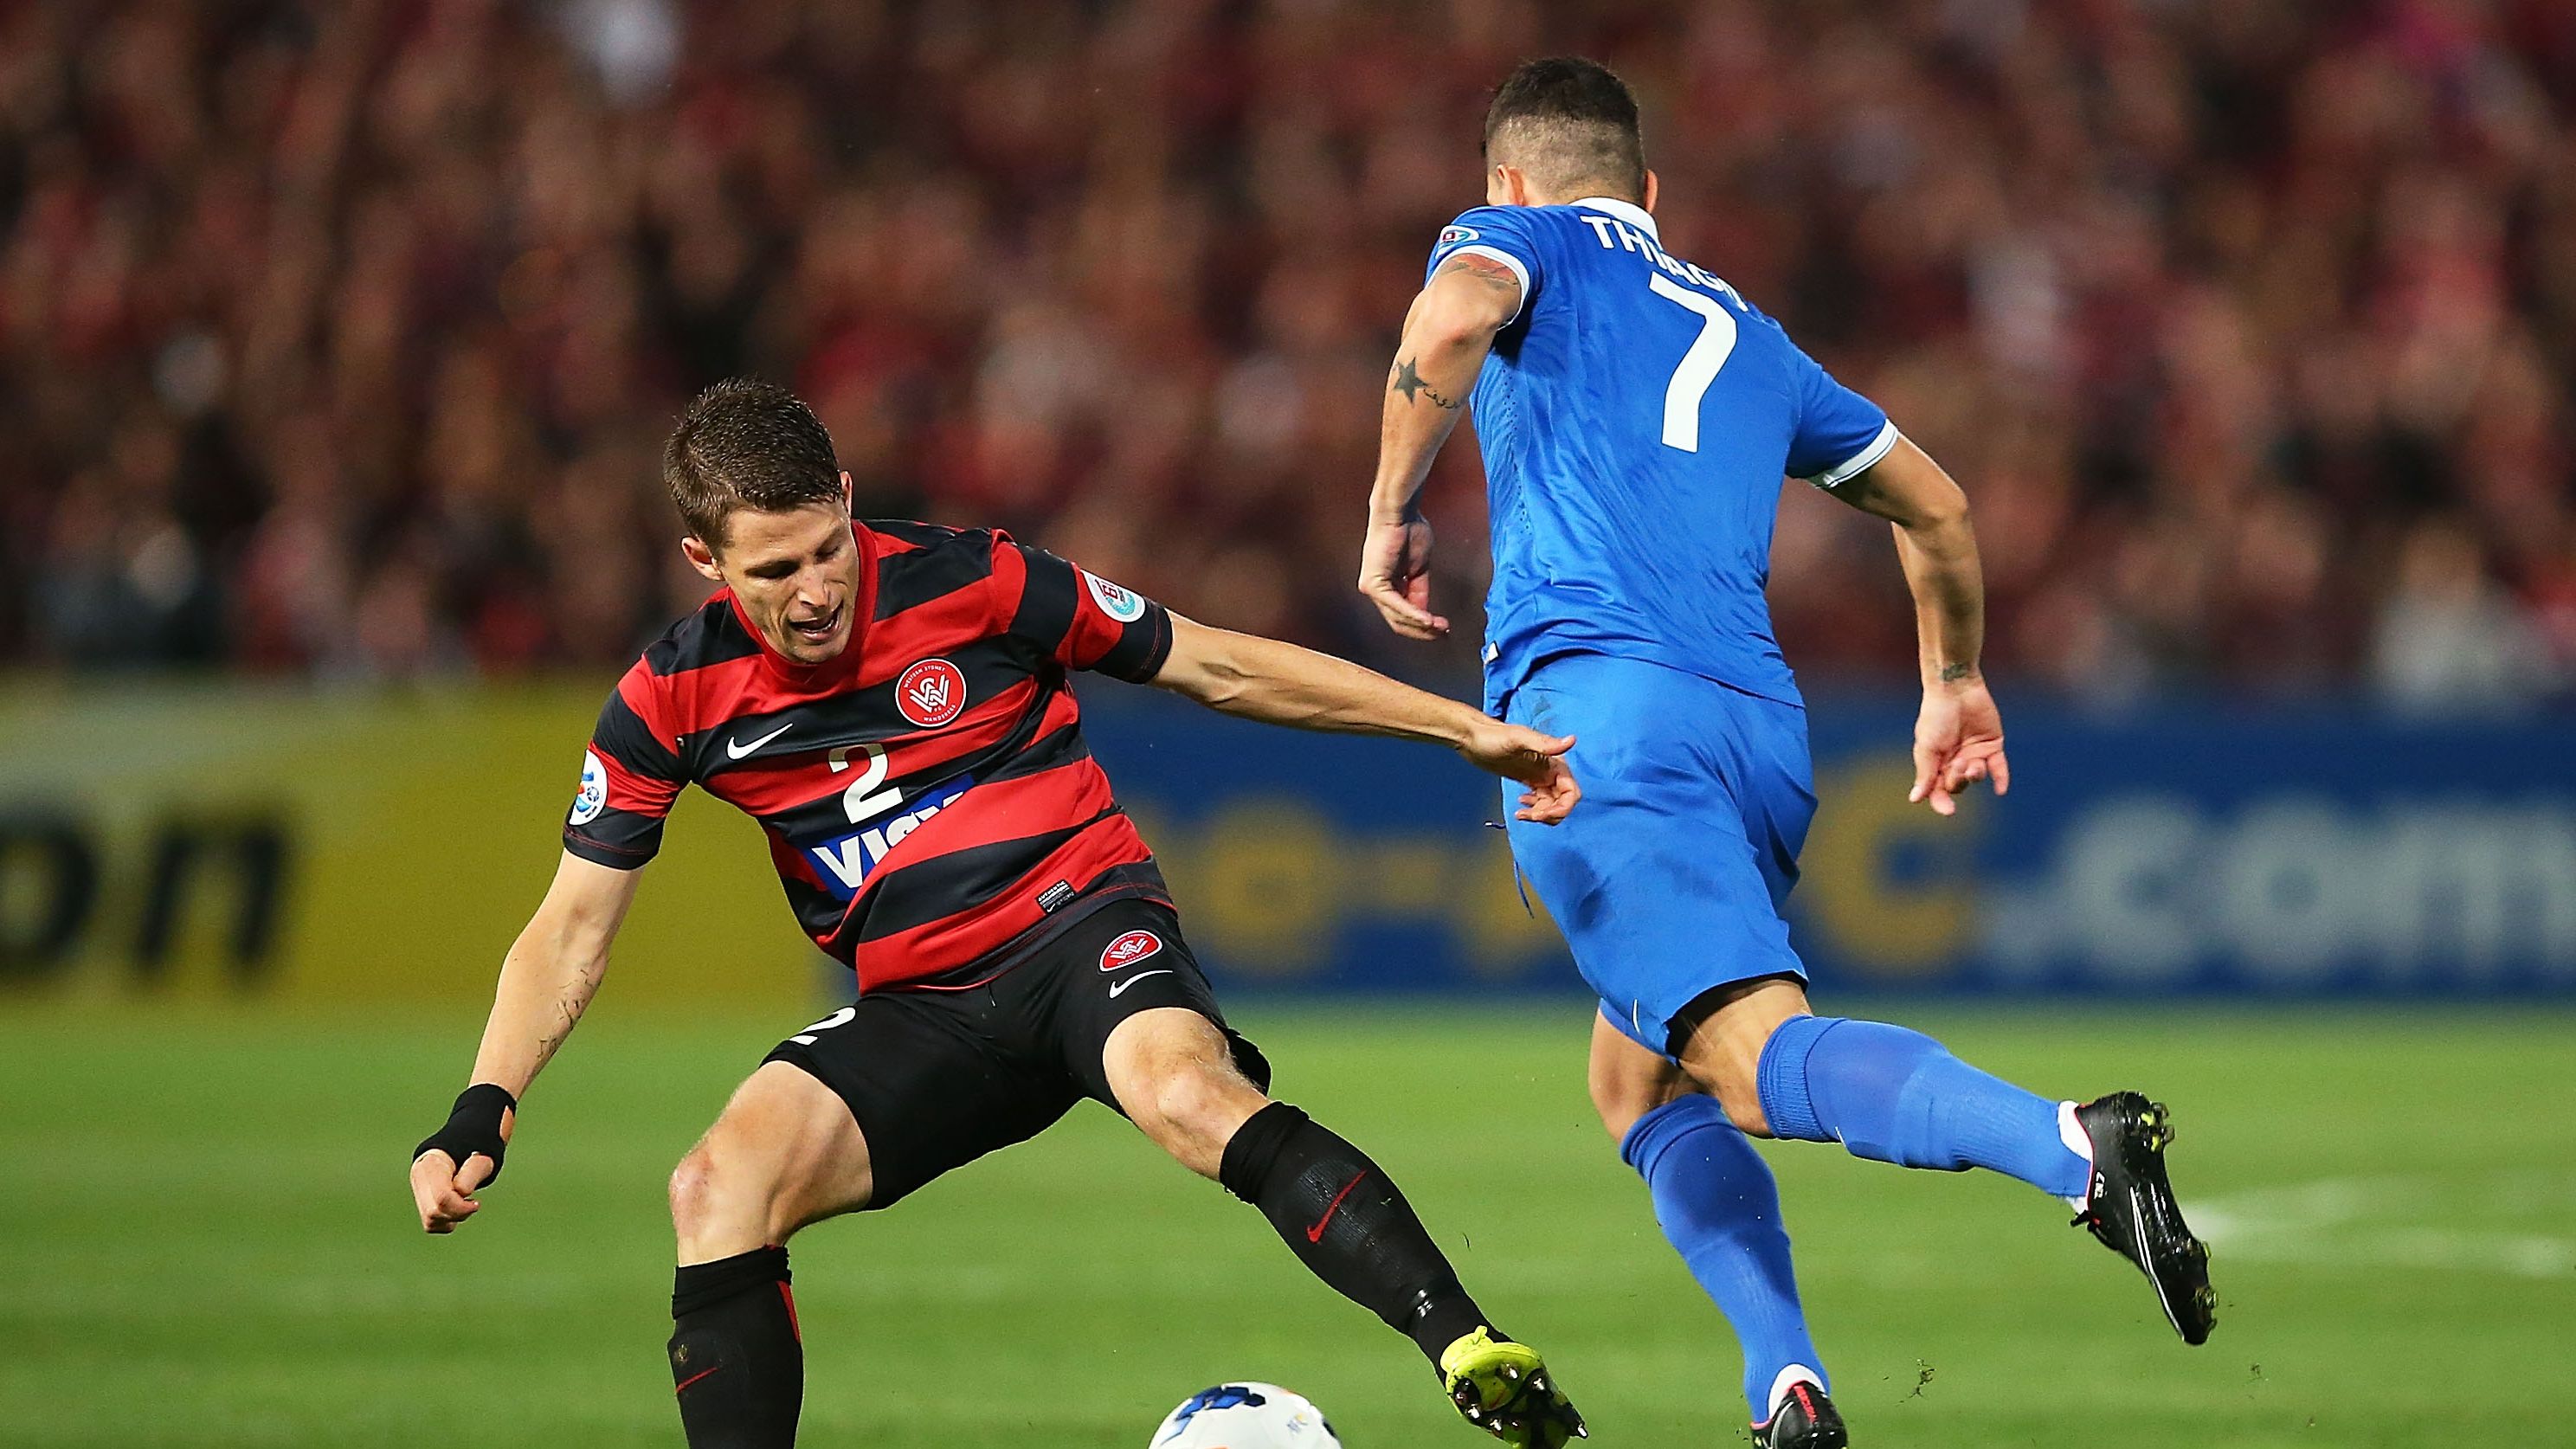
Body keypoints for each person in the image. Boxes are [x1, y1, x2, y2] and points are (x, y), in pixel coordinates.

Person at [409, 378, 1589, 1449]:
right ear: (704, 560)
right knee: (716, 1185)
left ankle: (1466, 1345)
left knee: (1187, 1092)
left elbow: (1216, 665)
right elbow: (572, 923)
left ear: (852, 503)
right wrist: (486, 1099)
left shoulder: (977, 579)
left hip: (1084, 930)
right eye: (775, 573)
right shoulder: (670, 696)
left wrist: (1459, 727)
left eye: (830, 549)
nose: (817, 593)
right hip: (923, 1010)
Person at [1355, 57, 2214, 1449]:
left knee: (1751, 1063)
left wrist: (1392, 504)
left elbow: (1451, 319)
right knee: (1634, 1076)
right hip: (1758, 730)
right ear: (1649, 194)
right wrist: (1954, 680)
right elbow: (1935, 506)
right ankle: (1788, 1386)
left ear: (1508, 179)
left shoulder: (1507, 235)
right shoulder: (1752, 333)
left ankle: (2071, 1146)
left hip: (1598, 719)